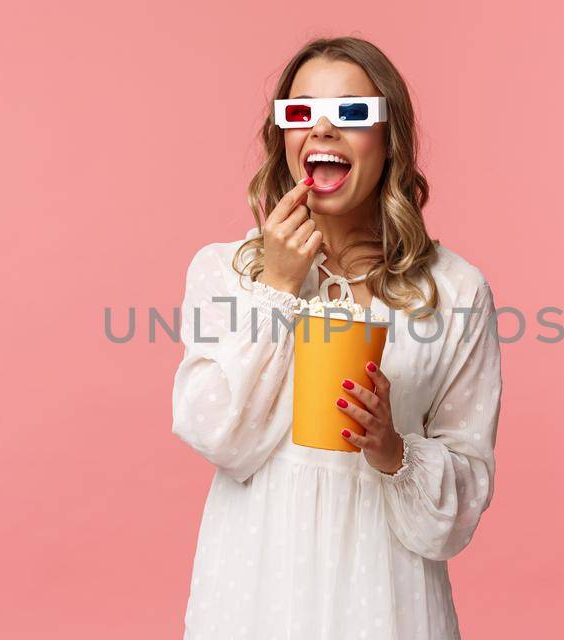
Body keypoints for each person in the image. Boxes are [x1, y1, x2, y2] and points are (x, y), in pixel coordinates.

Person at [171, 36, 503, 639]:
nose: (322, 130)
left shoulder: (455, 289)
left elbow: (462, 502)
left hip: (386, 591)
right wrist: (276, 286)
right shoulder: (225, 270)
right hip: (255, 581)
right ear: (284, 137)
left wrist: (392, 451)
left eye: (352, 113)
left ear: (389, 138)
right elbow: (216, 434)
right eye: (300, 113)